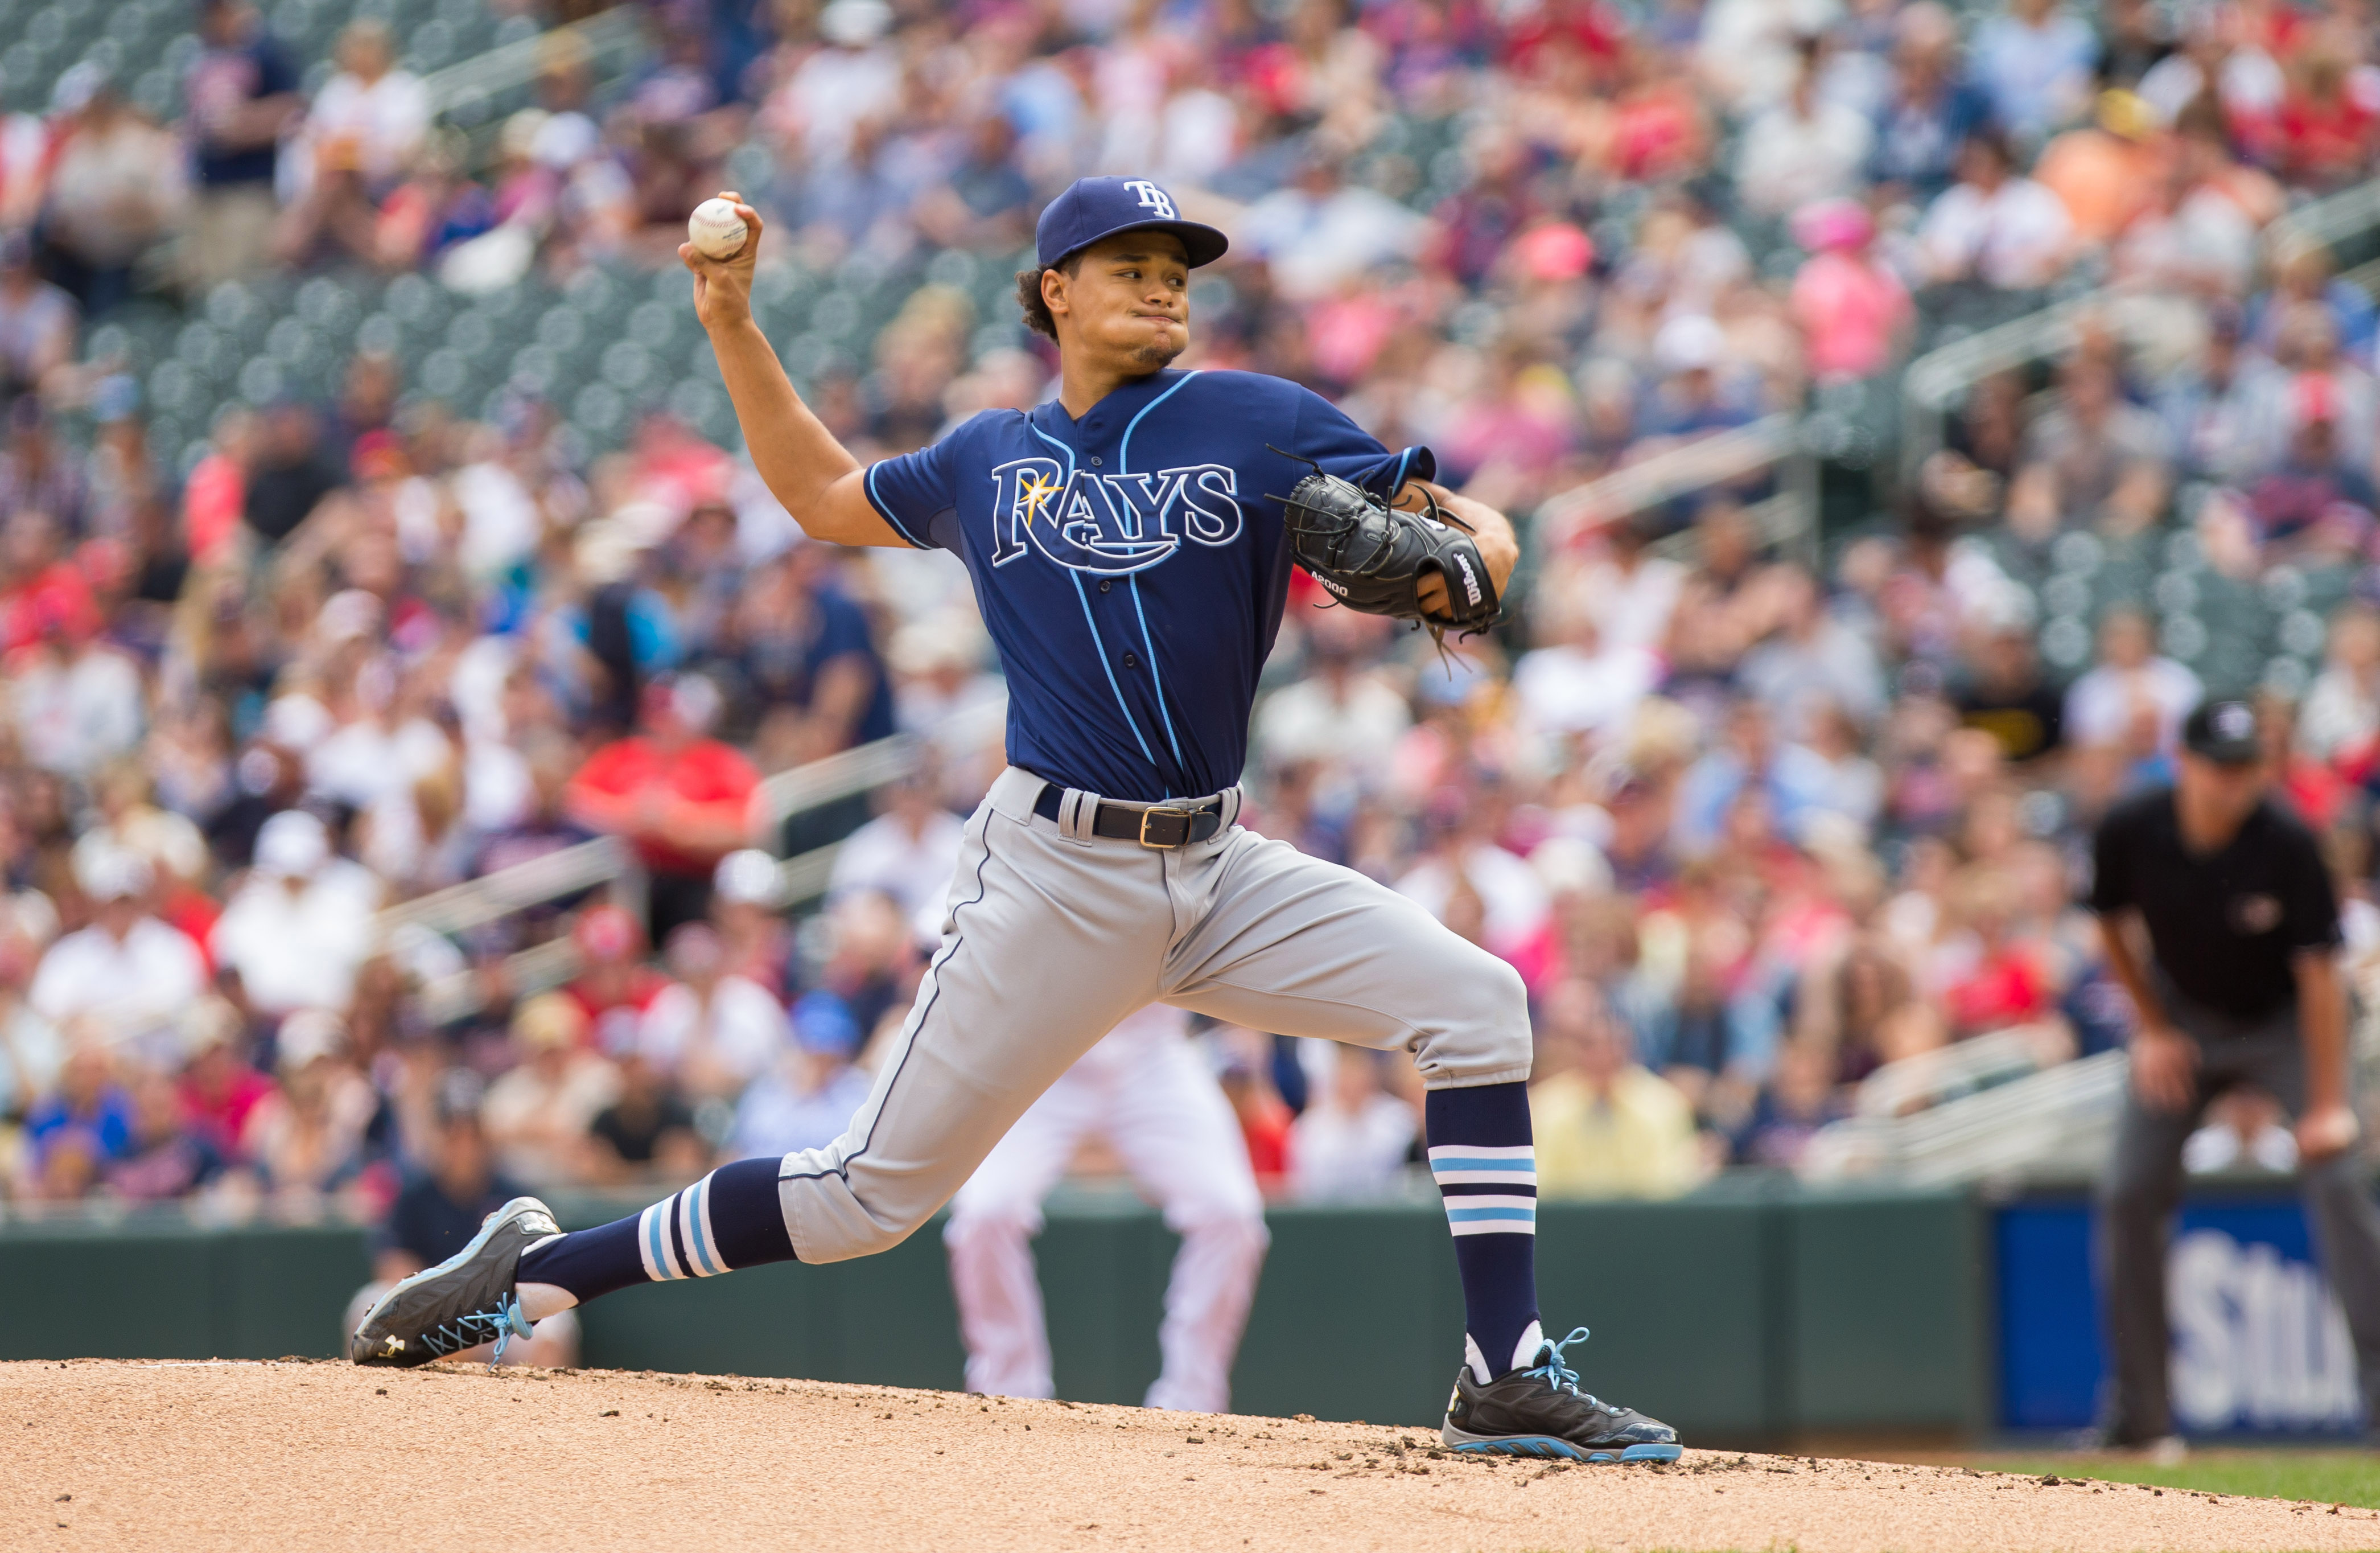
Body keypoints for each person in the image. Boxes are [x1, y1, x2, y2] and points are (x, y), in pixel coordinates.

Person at [352, 174, 1679, 1464]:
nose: (1165, 285)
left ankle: (1501, 1373)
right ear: (1055, 289)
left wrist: (1463, 553)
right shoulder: (991, 455)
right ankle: (531, 1273)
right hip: (1055, 875)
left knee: (1481, 1005)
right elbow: (819, 496)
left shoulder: (1257, 420)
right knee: (865, 1196)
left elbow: (1487, 548)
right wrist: (733, 325)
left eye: (1178, 270)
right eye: (1131, 265)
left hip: (1219, 866)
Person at [2089, 699, 2380, 1453]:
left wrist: (2323, 1105)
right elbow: (2108, 922)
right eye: (2220, 767)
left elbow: (2319, 976)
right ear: (2182, 763)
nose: (2235, 782)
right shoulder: (2131, 825)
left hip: (2286, 1022)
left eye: (2247, 766)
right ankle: (2139, 1419)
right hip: (2186, 1019)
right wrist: (2150, 1027)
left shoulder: (2285, 838)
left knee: (2337, 1179)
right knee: (2126, 1188)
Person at [945, 1004, 1269, 1413]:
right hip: (1040, 1056)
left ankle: (1193, 1401)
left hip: (1151, 1056)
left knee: (1231, 1214)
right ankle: (1008, 1392)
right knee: (986, 1213)